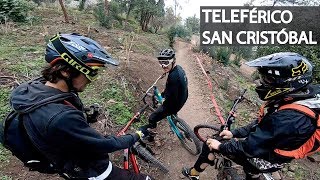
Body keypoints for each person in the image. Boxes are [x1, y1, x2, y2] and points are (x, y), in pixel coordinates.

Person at [4, 33, 151, 180]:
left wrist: (84, 114)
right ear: (65, 71)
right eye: (91, 72)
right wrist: (136, 135)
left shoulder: (35, 89)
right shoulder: (62, 117)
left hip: (69, 162)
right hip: (92, 171)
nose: (91, 79)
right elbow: (105, 144)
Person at [182, 52, 320, 180]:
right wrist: (233, 133)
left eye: (268, 80)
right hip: (278, 148)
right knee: (250, 170)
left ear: (288, 82)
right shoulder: (300, 98)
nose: (262, 83)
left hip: (269, 157)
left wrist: (220, 147)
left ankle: (194, 174)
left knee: (210, 145)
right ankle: (252, 173)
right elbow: (265, 124)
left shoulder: (289, 118)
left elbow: (249, 147)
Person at [140, 49, 188, 142]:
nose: (163, 65)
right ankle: (174, 116)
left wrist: (163, 102)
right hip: (184, 96)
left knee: (152, 118)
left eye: (165, 62)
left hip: (175, 104)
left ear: (173, 61)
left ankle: (151, 136)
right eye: (160, 62)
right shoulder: (179, 69)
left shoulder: (173, 78)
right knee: (165, 95)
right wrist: (165, 93)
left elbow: (170, 99)